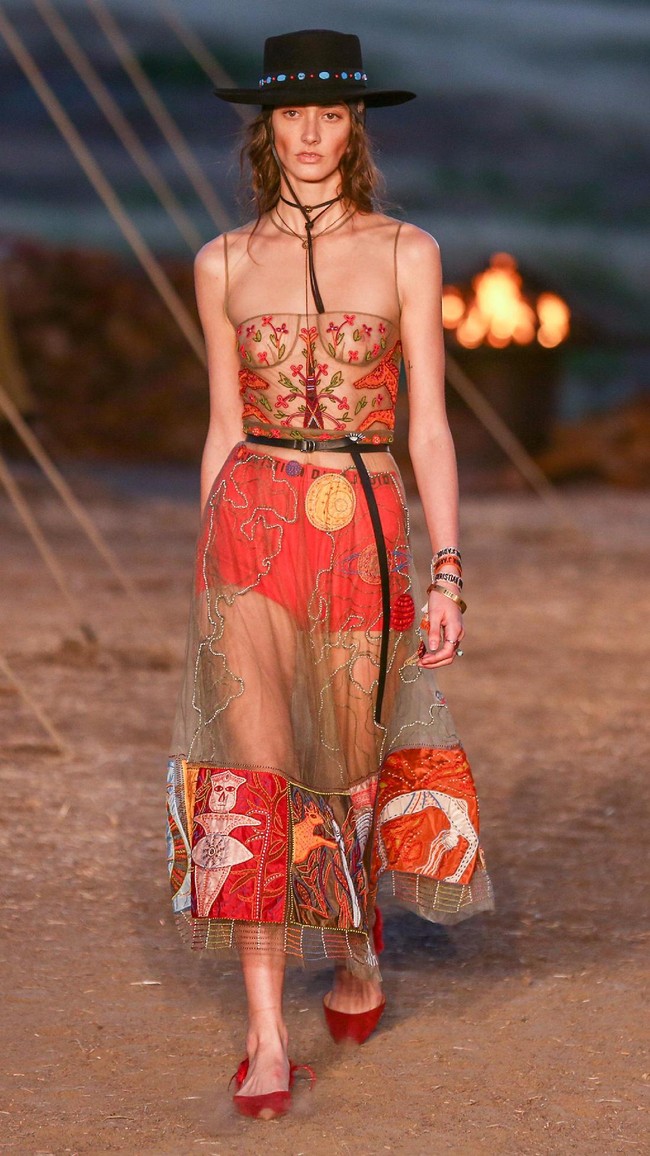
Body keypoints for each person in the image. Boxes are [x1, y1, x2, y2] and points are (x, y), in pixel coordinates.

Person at [166, 28, 493, 1119]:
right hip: (251, 523)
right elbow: (221, 428)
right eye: (292, 115)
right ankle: (264, 1040)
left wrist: (445, 572)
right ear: (267, 127)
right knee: (252, 772)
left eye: (332, 114)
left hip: (361, 519)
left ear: (355, 127)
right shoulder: (221, 260)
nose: (310, 134)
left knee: (350, 770)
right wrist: (202, 570)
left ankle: (356, 942)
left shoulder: (407, 250)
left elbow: (430, 431)